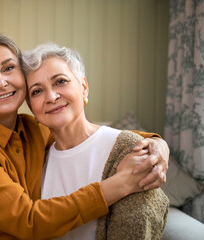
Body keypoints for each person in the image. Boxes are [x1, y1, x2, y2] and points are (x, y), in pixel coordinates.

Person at [0, 33, 169, 240]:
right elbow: (28, 221)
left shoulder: (34, 129)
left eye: (8, 68)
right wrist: (120, 184)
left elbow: (93, 138)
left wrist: (158, 145)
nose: (0, 82)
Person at [22, 42, 169, 240]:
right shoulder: (34, 157)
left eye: (60, 81)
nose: (51, 96)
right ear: (32, 109)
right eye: (37, 91)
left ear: (83, 87)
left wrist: (161, 144)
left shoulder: (129, 148)